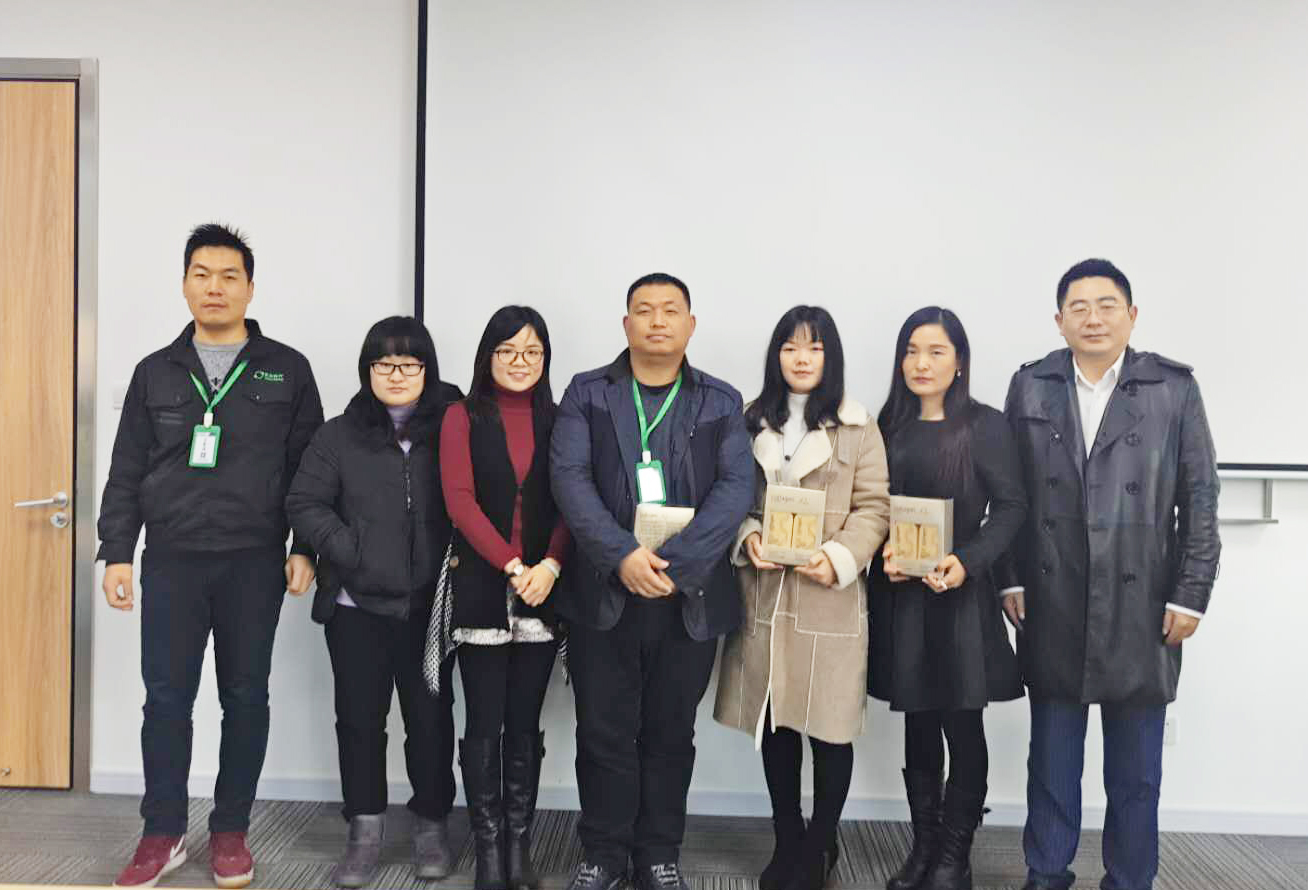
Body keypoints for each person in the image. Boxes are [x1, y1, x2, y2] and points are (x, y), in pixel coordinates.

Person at [97, 223, 323, 889]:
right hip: (171, 560)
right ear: (184, 284)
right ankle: (161, 832)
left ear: (250, 287)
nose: (215, 287)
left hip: (254, 562)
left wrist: (305, 546)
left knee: (245, 697)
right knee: (166, 699)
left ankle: (230, 831)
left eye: (229, 276)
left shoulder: (287, 368)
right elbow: (127, 468)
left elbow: (310, 469)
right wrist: (117, 552)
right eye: (202, 274)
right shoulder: (155, 371)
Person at [1000, 259, 1220, 890]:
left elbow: (1200, 497)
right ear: (1059, 320)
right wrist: (1010, 579)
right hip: (1052, 595)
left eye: (1106, 305)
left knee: (1136, 773)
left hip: (1142, 600)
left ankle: (1129, 880)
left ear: (1132, 315)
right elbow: (1009, 493)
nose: (1092, 318)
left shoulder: (1173, 388)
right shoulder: (1032, 385)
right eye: (1079, 307)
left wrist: (1191, 594)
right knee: (1051, 762)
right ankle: (1046, 874)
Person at [549, 273, 754, 890]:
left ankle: (659, 853)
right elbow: (570, 479)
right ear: (626, 324)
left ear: (691, 324)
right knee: (602, 732)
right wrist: (623, 557)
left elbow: (735, 489)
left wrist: (675, 564)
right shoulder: (587, 393)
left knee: (670, 734)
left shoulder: (721, 401)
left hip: (688, 597)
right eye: (644, 310)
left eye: (670, 310)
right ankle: (603, 853)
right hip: (605, 592)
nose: (657, 321)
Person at [714, 306, 889, 890]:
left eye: (814, 347)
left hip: (827, 595)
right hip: (765, 592)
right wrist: (748, 537)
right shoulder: (749, 421)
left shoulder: (858, 426)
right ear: (777, 356)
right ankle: (787, 838)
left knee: (829, 727)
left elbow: (874, 507)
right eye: (790, 347)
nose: (802, 358)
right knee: (778, 723)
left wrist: (837, 557)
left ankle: (820, 843)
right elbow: (732, 497)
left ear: (829, 356)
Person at [285, 316, 463, 887]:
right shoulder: (338, 434)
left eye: (409, 363)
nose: (396, 374)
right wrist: (348, 548)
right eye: (383, 363)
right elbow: (304, 501)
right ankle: (364, 830)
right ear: (366, 371)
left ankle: (431, 825)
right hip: (356, 608)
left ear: (428, 370)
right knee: (360, 721)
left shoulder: (453, 427)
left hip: (431, 608)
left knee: (430, 722)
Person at [869, 307, 1026, 890]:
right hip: (905, 599)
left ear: (959, 361)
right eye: (912, 351)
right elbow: (871, 506)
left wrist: (968, 562)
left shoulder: (985, 425)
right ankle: (924, 849)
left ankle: (955, 856)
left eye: (936, 351)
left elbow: (1011, 507)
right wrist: (884, 553)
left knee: (963, 726)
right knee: (918, 725)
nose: (921, 363)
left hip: (961, 597)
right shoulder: (888, 425)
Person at [438, 306, 571, 890]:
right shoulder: (461, 416)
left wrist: (551, 565)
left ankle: (520, 847)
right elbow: (459, 501)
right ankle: (488, 850)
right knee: (483, 723)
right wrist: (513, 565)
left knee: (524, 724)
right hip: (483, 589)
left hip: (544, 588)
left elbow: (572, 500)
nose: (521, 362)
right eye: (508, 351)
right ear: (487, 356)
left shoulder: (561, 419)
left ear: (545, 359)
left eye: (532, 352)